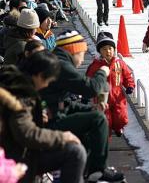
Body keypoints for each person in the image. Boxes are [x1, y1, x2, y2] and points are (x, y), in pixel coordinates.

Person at [40, 30, 125, 182]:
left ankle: (86, 169)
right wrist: (101, 72)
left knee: (91, 117)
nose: (83, 58)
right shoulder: (61, 65)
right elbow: (90, 88)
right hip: (48, 121)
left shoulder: (58, 60)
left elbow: (62, 100)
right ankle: (98, 169)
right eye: (83, 53)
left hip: (53, 112)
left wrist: (89, 108)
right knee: (98, 119)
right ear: (74, 50)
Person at [0, 51, 87, 183]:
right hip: (14, 158)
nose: (46, 85)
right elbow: (27, 134)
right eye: (48, 81)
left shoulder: (11, 82)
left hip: (11, 150)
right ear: (40, 76)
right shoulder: (22, 93)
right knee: (75, 152)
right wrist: (62, 137)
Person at [86, 31, 135, 137]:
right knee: (105, 120)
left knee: (121, 117)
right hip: (102, 98)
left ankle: (118, 127)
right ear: (100, 51)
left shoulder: (119, 63)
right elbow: (88, 79)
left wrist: (130, 86)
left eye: (110, 48)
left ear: (114, 49)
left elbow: (127, 76)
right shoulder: (96, 65)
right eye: (104, 49)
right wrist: (87, 93)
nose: (108, 51)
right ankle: (105, 136)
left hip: (118, 96)